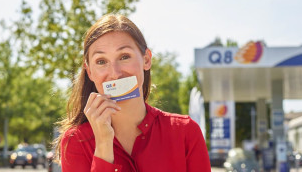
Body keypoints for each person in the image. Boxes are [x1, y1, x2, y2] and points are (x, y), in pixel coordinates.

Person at [54, 14, 211, 172]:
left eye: (124, 57)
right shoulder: (76, 141)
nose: (115, 74)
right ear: (89, 72)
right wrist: (103, 144)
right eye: (101, 61)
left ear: (146, 60)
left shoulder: (186, 132)